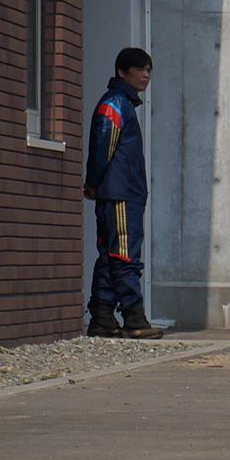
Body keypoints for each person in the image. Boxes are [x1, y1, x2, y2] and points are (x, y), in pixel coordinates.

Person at [82, 48, 162, 339]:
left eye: (149, 70)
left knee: (109, 256)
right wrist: (94, 181)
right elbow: (103, 143)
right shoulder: (116, 103)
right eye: (140, 69)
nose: (146, 75)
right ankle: (134, 318)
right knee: (124, 256)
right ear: (122, 72)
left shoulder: (120, 103)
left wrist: (96, 183)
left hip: (116, 192)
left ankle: (102, 318)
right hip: (121, 194)